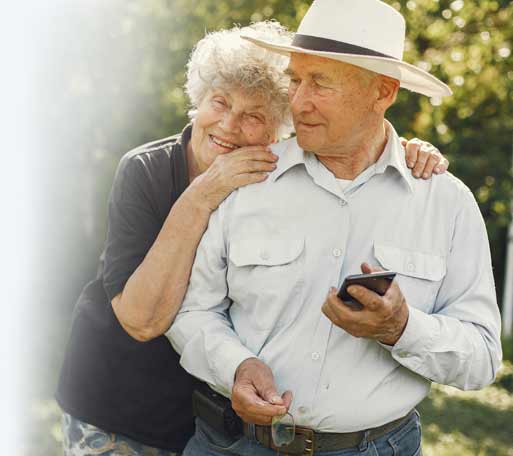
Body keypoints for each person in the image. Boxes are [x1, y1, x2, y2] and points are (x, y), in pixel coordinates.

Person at [56, 20, 448, 456]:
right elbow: (141, 320)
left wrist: (403, 150)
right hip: (120, 408)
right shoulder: (146, 171)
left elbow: (355, 148)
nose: (229, 125)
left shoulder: (273, 180)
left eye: (254, 116)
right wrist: (202, 194)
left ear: (281, 130)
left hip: (214, 422)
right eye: (219, 103)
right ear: (197, 101)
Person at [168, 2, 502, 456]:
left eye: (320, 83)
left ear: (382, 92)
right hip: (231, 445)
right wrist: (235, 366)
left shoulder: (447, 204)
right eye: (296, 79)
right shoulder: (245, 180)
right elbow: (191, 311)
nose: (297, 101)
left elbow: (481, 359)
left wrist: (401, 328)